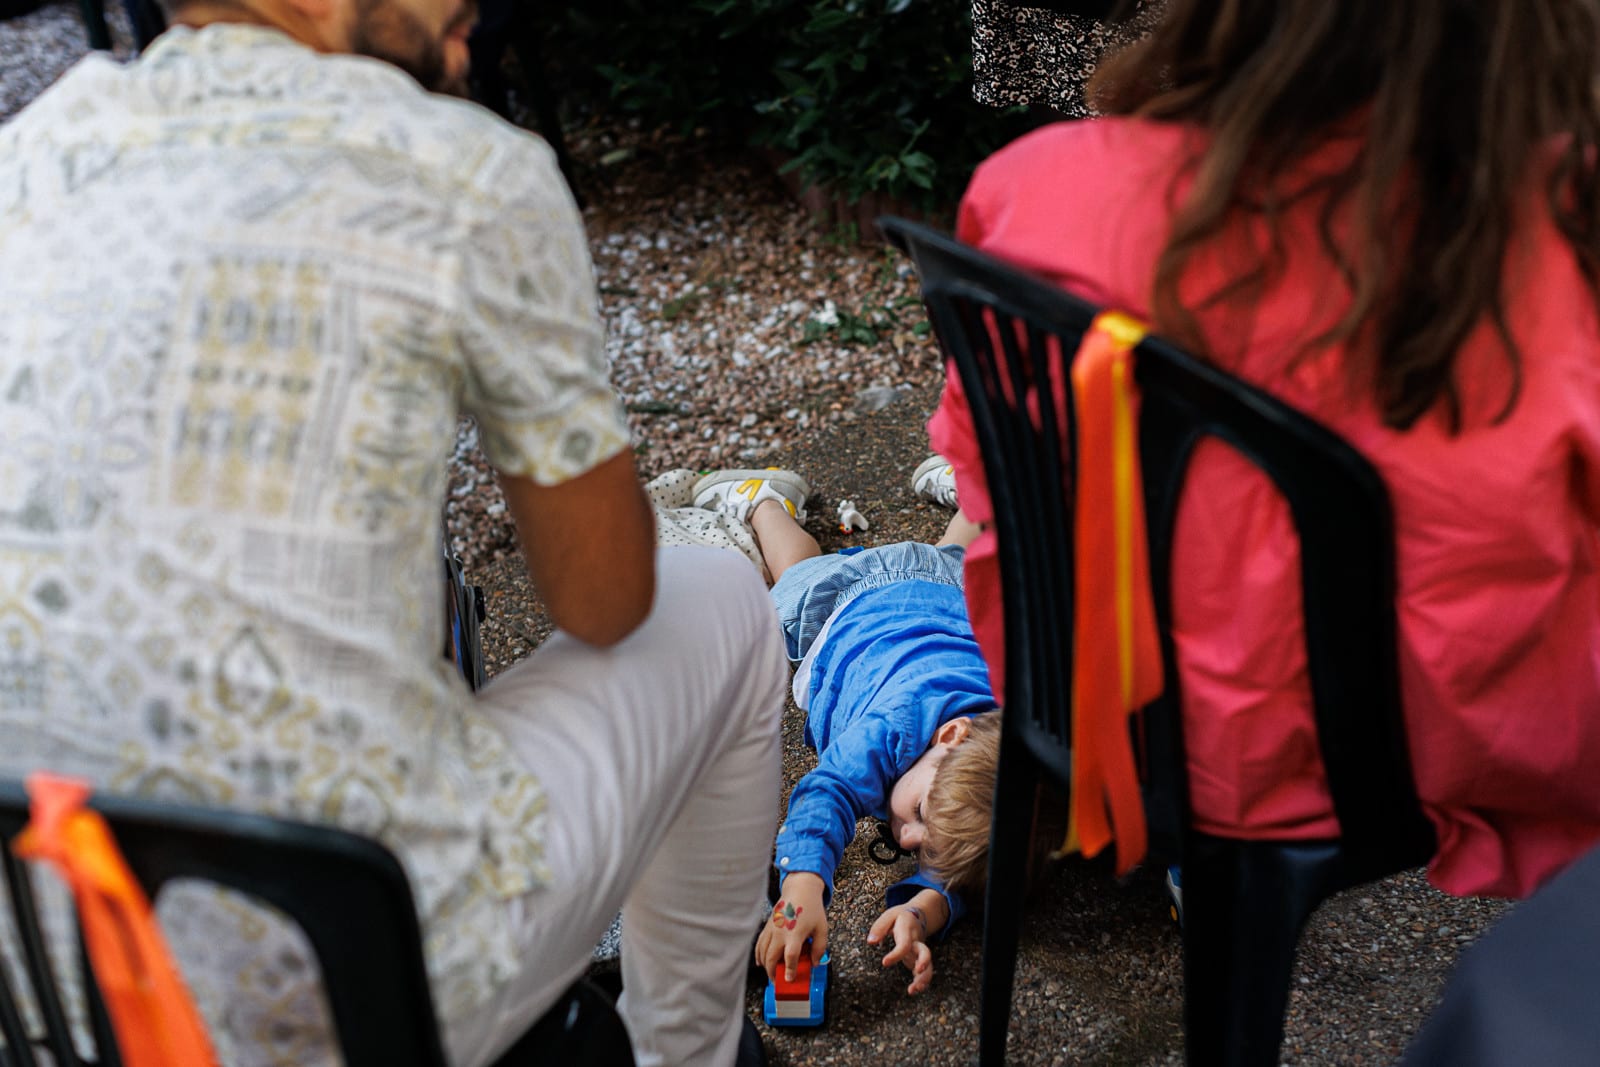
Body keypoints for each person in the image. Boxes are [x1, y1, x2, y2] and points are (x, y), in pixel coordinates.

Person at [0, 2, 787, 1066]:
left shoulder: (28, 155)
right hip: (362, 980)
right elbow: (606, 599)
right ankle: (686, 1054)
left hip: (60, 981)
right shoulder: (468, 171)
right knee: (722, 602)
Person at [930, 0, 1600, 901]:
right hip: (1405, 768)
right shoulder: (1556, 259)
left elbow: (983, 479)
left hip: (1108, 727)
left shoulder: (1041, 190)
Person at [691, 467, 1007, 996]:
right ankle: (762, 502)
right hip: (840, 607)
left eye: (923, 846)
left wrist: (922, 908)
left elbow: (973, 861)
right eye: (923, 818)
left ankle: (981, 492)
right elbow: (827, 792)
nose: (907, 839)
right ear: (949, 736)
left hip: (940, 586)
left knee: (957, 549)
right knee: (796, 568)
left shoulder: (994, 745)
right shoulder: (892, 730)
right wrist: (801, 892)